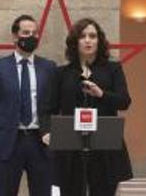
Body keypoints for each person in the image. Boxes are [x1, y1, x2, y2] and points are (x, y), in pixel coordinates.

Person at [51, 18, 133, 196]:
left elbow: (124, 101)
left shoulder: (113, 69)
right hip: (70, 147)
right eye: (82, 36)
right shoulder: (62, 73)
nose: (88, 40)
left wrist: (102, 94)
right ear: (75, 41)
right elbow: (52, 107)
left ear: (99, 40)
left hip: (105, 146)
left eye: (93, 36)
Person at [0, 14, 58, 196]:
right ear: (15, 37)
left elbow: (54, 104)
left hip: (40, 142)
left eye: (34, 33)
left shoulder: (49, 67)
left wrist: (50, 130)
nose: (31, 36)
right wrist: (3, 126)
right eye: (25, 32)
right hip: (9, 141)